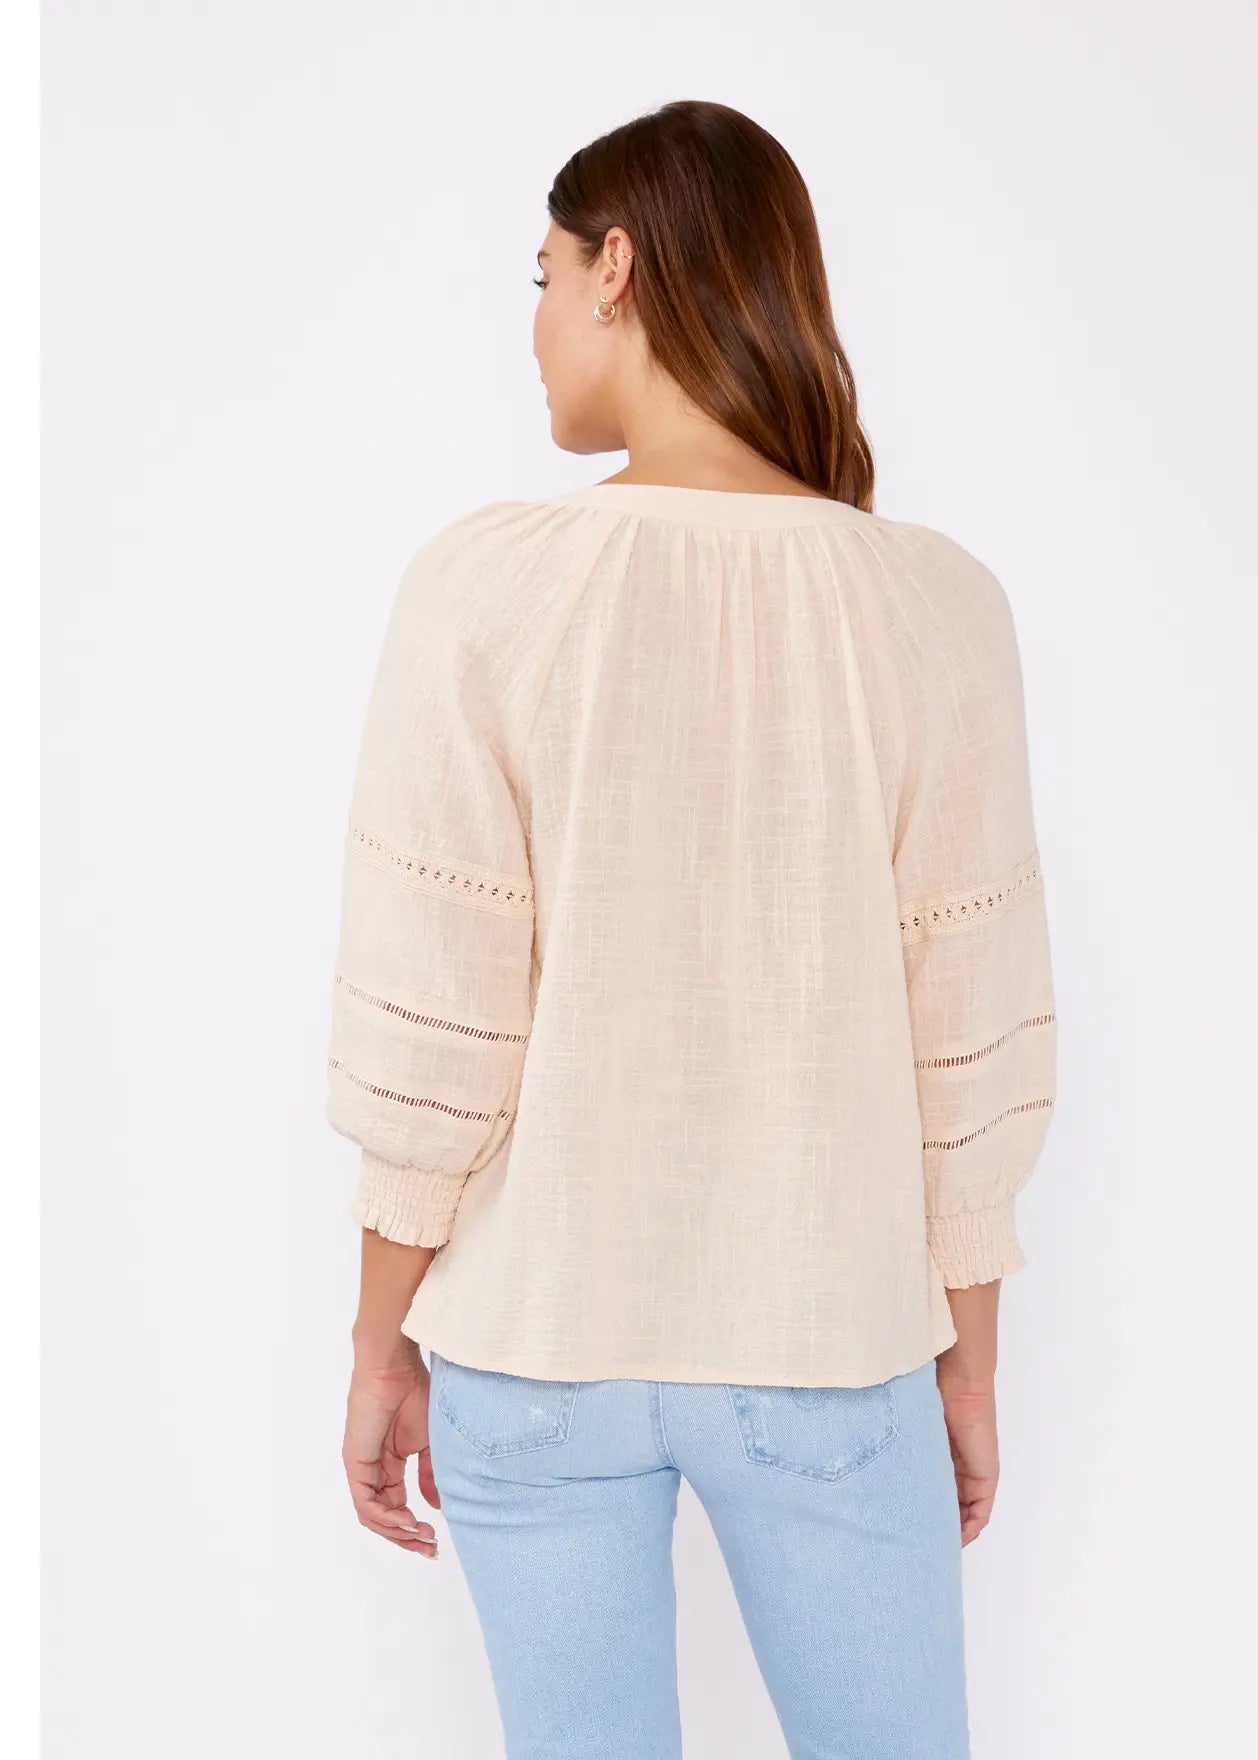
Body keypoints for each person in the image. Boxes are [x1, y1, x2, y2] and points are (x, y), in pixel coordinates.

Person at [326, 98, 1058, 1760]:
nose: (531, 327)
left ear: (619, 268)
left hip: (532, 1339)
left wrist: (378, 1343)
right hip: (830, 1337)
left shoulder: (484, 588)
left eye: (541, 276)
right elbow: (972, 1038)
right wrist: (969, 1364)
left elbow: (430, 1029)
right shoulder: (934, 605)